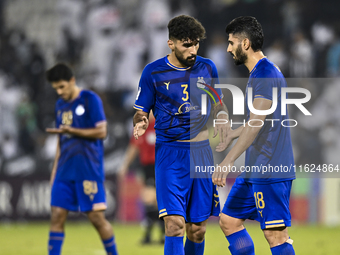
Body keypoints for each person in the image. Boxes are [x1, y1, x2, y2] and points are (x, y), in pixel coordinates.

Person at [133, 15, 230, 255]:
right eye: (187, 44)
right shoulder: (153, 72)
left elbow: (218, 103)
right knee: (174, 224)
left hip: (201, 154)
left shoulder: (207, 67)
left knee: (197, 229)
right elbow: (140, 111)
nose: (193, 49)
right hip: (170, 155)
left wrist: (221, 116)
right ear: (171, 44)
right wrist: (141, 121)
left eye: (196, 43)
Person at [212, 16, 296, 255]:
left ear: (245, 44)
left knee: (275, 235)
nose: (228, 48)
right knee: (229, 221)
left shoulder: (264, 75)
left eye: (231, 42)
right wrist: (233, 135)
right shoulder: (261, 73)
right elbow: (259, 120)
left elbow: (257, 122)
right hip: (255, 168)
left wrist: (228, 161)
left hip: (270, 167)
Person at [45, 63, 118, 255]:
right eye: (56, 89)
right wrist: (54, 173)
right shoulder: (60, 105)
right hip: (64, 170)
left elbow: (102, 131)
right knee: (57, 216)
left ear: (72, 81)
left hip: (88, 169)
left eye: (62, 87)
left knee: (96, 218)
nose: (59, 92)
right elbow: (61, 141)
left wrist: (73, 131)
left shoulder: (89, 99)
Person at [119, 113, 165, 244]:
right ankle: (154, 235)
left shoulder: (162, 124)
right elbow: (134, 147)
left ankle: (155, 234)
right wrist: (125, 166)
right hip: (147, 167)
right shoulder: (141, 126)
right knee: (150, 199)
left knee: (154, 199)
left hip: (161, 166)